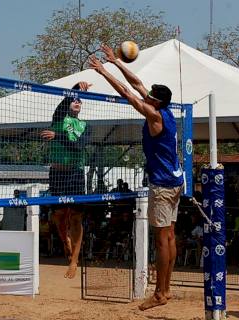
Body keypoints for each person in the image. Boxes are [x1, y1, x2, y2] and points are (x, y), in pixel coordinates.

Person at [89, 45, 184, 311]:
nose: (148, 95)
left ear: (156, 101)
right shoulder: (165, 110)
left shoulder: (154, 115)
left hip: (163, 184)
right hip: (175, 181)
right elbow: (138, 83)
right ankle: (166, 289)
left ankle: (160, 292)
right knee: (170, 236)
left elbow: (127, 92)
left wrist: (102, 71)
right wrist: (117, 62)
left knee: (162, 238)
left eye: (151, 96)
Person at [40, 81, 91, 279]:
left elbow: (78, 147)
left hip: (76, 174)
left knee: (76, 218)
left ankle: (74, 260)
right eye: (74, 100)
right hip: (58, 174)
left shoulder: (86, 126)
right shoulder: (59, 118)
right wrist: (77, 87)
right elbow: (64, 102)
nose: (77, 102)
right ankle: (65, 241)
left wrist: (58, 136)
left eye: (80, 101)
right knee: (59, 215)